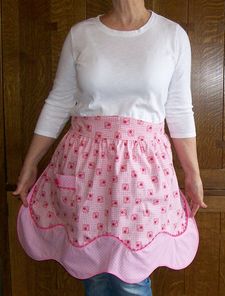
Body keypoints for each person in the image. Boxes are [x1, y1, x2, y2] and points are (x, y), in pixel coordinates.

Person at [12, 0, 208, 295]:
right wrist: (30, 164)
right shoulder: (81, 35)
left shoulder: (172, 35)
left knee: (132, 276)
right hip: (85, 169)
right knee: (93, 274)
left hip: (143, 172)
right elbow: (59, 101)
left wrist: (193, 174)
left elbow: (179, 110)